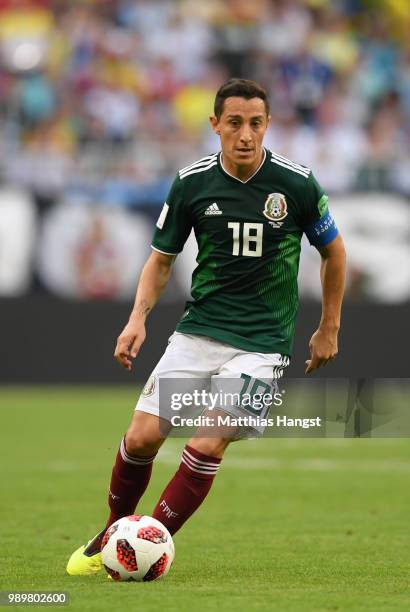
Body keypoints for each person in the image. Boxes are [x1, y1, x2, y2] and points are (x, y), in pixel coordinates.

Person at [66, 78, 346, 576]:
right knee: (142, 437)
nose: (245, 134)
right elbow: (160, 260)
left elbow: (334, 253)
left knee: (207, 440)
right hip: (199, 332)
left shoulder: (297, 183)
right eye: (234, 123)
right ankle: (113, 533)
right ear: (215, 124)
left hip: (263, 346)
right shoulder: (192, 182)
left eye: (255, 123)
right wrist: (137, 318)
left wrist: (329, 326)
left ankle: (143, 545)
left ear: (268, 125)